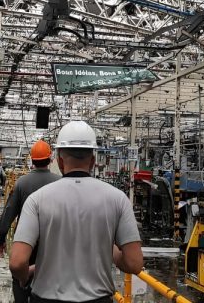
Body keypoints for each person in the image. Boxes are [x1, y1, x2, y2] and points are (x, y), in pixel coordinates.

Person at [9, 121, 143, 303]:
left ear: (59, 161)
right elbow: (134, 263)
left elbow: (17, 262)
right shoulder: (118, 199)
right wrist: (110, 248)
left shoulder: (37, 200)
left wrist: (25, 277)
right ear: (93, 161)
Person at [0, 139, 60, 303]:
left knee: (20, 281)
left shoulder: (22, 183)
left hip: (25, 244)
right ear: (50, 159)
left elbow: (9, 212)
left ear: (32, 160)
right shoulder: (59, 183)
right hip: (52, 244)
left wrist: (0, 239)